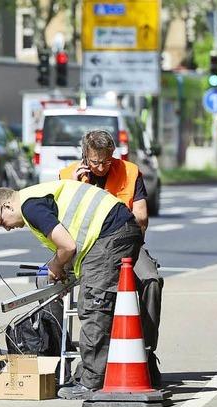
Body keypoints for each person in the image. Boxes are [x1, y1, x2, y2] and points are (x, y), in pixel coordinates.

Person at [0, 180, 143, 399]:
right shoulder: (35, 197)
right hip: (115, 230)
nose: (7, 228)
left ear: (8, 206)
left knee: (93, 308)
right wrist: (65, 270)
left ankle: (91, 382)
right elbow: (73, 238)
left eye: (2, 222)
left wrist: (56, 265)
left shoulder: (30, 207)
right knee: (102, 305)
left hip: (110, 234)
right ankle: (100, 373)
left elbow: (68, 245)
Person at [59, 130, 163, 388]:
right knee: (48, 286)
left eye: (107, 160)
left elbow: (141, 216)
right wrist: (75, 187)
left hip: (126, 246)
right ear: (85, 156)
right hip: (84, 251)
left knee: (151, 280)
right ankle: (58, 359)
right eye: (95, 161)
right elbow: (60, 223)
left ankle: (146, 353)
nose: (101, 166)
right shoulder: (67, 175)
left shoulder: (129, 171)